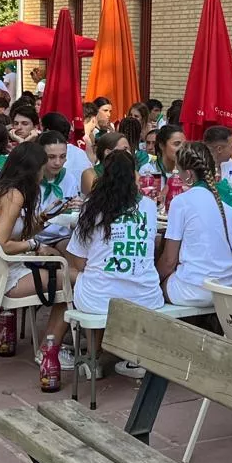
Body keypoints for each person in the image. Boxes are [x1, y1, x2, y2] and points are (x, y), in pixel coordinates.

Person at [0, 141, 69, 363]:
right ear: (33, 170)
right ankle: (48, 350)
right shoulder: (14, 195)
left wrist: (42, 220)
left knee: (69, 274)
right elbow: (1, 243)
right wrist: (35, 246)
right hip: (1, 278)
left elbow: (11, 235)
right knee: (75, 281)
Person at [66, 151, 163, 371]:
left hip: (98, 299)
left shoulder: (92, 208)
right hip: (146, 297)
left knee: (77, 273)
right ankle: (134, 355)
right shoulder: (148, 206)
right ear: (134, 176)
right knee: (106, 278)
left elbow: (80, 263)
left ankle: (93, 357)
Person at [158, 142, 232, 306]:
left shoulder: (181, 202)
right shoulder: (231, 201)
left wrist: (152, 280)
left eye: (178, 171)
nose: (177, 175)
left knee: (153, 291)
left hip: (197, 291)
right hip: (230, 289)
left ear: (188, 174)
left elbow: (169, 261)